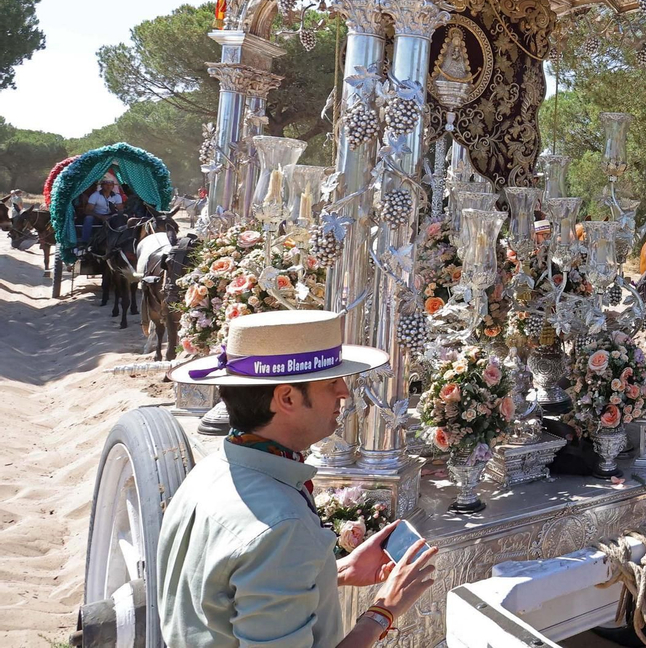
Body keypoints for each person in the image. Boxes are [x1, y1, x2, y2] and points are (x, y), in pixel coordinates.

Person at [157, 310, 436, 646]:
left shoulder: (211, 470)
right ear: (287, 398)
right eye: (331, 381)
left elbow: (232, 596)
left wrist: (340, 571)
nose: (344, 391)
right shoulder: (280, 527)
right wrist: (385, 610)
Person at [80, 175, 123, 247]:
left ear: (113, 186)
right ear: (102, 186)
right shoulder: (95, 196)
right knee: (88, 218)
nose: (108, 187)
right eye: (106, 184)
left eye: (110, 185)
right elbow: (87, 211)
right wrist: (101, 216)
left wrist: (116, 215)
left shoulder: (117, 196)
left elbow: (120, 210)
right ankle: (85, 242)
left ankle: (119, 241)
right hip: (97, 217)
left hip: (111, 217)